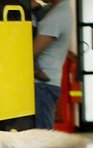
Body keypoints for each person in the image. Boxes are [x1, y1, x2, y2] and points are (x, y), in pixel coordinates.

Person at [32, 0, 72, 130]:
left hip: (42, 86)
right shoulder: (56, 9)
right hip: (45, 83)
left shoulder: (56, 17)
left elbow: (32, 52)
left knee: (42, 136)